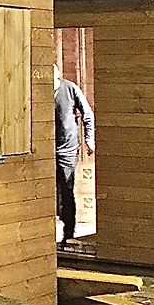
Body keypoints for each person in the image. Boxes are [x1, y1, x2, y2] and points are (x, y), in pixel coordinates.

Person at [54, 63, 95, 243]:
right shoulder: (41, 92)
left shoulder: (69, 88)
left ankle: (68, 233)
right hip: (47, 149)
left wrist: (89, 139)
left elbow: (87, 114)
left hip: (67, 149)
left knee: (67, 190)